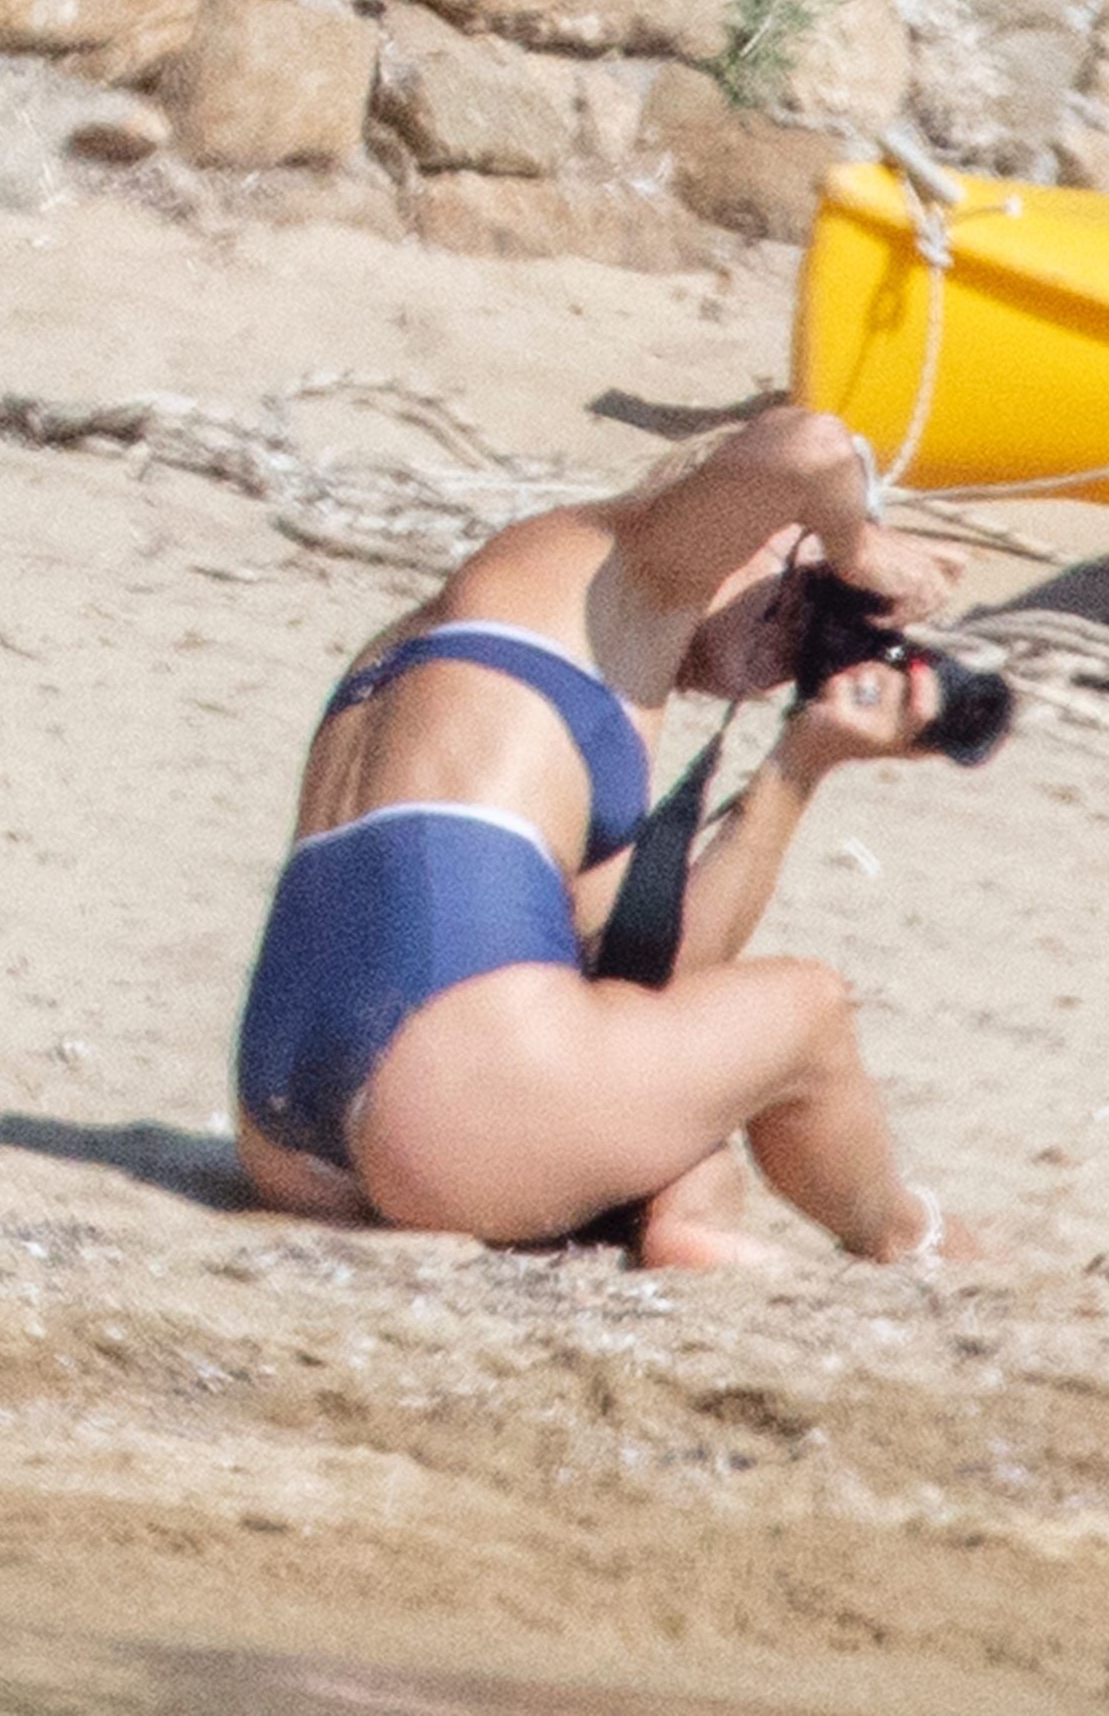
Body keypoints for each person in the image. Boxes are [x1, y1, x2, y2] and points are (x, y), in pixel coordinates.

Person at [235, 404, 976, 1269]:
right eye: (810, 596)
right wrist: (860, 548)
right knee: (809, 1007)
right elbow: (808, 448)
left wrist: (798, 764)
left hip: (285, 1131)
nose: (796, 644)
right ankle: (910, 1238)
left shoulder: (480, 646)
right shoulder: (625, 561)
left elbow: (651, 984)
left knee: (682, 1096)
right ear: (752, 534)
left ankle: (692, 1222)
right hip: (441, 1110)